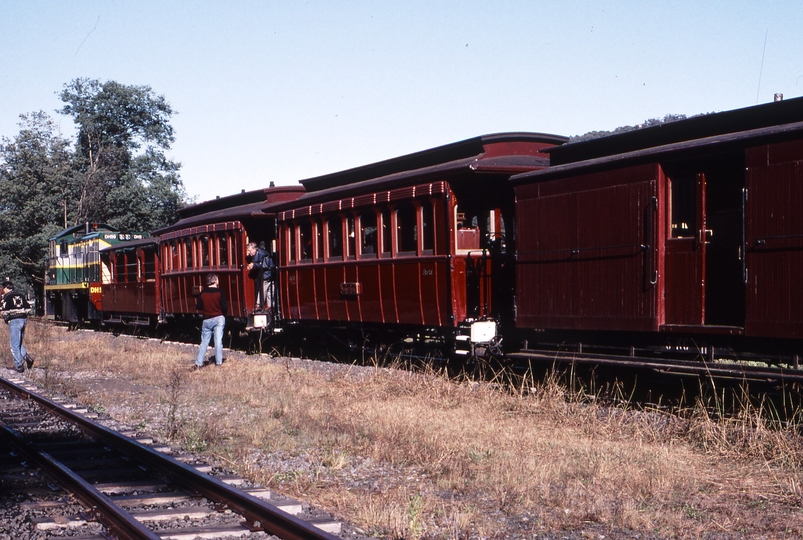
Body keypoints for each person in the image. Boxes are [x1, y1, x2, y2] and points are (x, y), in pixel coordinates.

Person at [194, 273, 227, 369]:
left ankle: (198, 363)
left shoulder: (203, 293)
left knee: (204, 341)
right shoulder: (220, 292)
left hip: (207, 319)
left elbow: (198, 306)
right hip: (218, 318)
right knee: (218, 341)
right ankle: (219, 363)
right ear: (215, 281)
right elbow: (224, 306)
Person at [2, 280, 34, 373]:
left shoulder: (7, 297)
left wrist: (7, 318)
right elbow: (28, 308)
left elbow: (4, 311)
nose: (3, 290)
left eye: (4, 288)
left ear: (6, 288)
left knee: (14, 345)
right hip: (23, 320)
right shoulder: (20, 295)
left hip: (14, 321)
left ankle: (19, 365)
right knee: (18, 342)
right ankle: (27, 358)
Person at [246, 242, 274, 311]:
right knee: (269, 291)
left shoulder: (262, 254)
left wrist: (254, 265)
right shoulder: (258, 253)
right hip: (267, 274)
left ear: (254, 249)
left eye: (250, 251)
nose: (249, 253)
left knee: (264, 290)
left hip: (267, 275)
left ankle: (259, 305)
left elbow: (265, 265)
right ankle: (269, 306)